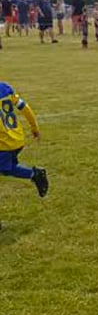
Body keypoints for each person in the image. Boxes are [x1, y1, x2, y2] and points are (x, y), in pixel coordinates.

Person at [0, 82, 49, 215]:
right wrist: (34, 128)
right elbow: (25, 108)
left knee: (6, 168)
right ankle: (35, 175)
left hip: (4, 144)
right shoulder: (5, 88)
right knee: (7, 168)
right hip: (16, 138)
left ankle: (35, 174)